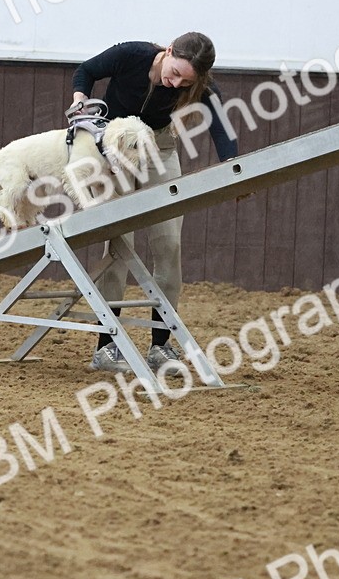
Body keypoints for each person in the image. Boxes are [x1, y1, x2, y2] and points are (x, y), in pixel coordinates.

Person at [69, 32, 238, 373]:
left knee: (169, 244)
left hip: (159, 151)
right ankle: (107, 347)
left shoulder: (200, 87)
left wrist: (234, 168)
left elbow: (221, 129)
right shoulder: (132, 55)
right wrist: (80, 100)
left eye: (185, 82)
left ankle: (161, 345)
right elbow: (85, 71)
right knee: (118, 244)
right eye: (174, 73)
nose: (175, 85)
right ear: (169, 50)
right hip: (114, 148)